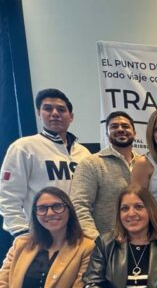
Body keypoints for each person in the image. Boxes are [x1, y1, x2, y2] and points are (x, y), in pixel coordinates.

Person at [0, 89, 90, 237]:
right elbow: (8, 196)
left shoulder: (84, 153)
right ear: (39, 113)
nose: (55, 113)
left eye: (61, 110)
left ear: (71, 117)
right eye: (48, 109)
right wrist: (21, 232)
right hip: (41, 236)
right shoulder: (24, 147)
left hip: (79, 235)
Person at [71, 111, 139, 239]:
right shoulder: (91, 164)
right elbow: (79, 206)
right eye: (114, 126)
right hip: (107, 244)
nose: (120, 129)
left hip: (142, 241)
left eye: (125, 126)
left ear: (135, 133)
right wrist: (97, 241)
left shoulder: (144, 163)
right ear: (107, 134)